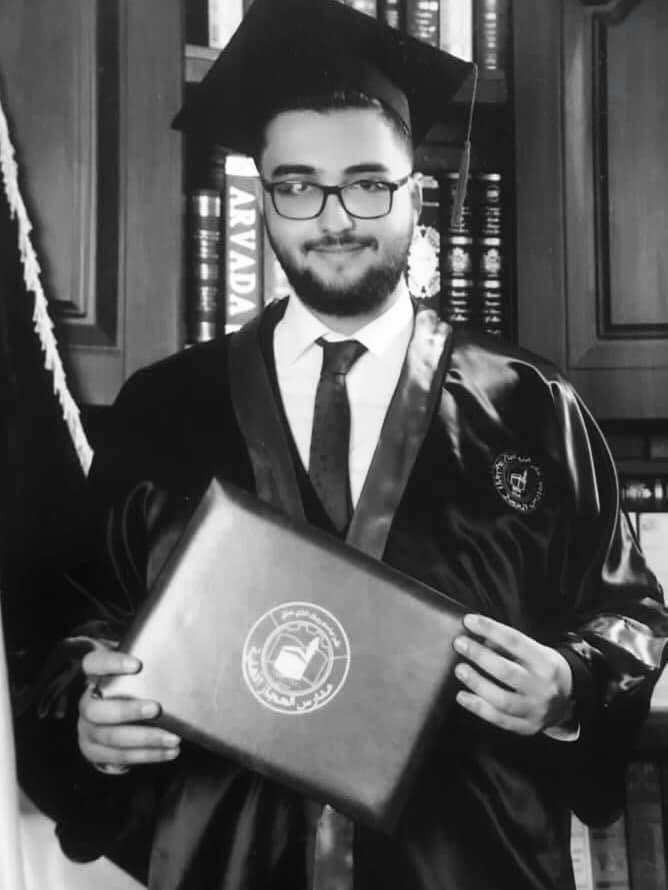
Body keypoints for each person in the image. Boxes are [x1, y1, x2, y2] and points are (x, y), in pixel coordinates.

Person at [25, 0, 668, 888]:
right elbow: (71, 623)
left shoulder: (530, 408)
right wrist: (86, 721)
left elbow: (628, 614)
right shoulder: (163, 412)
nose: (334, 217)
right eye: (297, 185)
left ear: (416, 193)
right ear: (263, 197)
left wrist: (568, 686)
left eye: (368, 183)